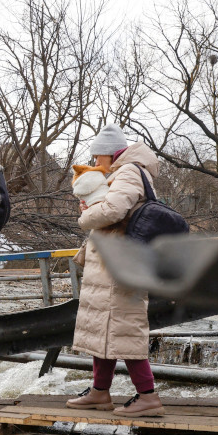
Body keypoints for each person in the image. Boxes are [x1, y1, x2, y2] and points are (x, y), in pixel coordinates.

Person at [66, 124, 164, 417]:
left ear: (110, 154)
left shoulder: (130, 171)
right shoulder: (124, 172)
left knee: (125, 328)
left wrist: (85, 217)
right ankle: (100, 392)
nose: (96, 164)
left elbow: (113, 211)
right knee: (104, 327)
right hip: (113, 262)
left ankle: (148, 396)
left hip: (120, 263)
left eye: (98, 158)